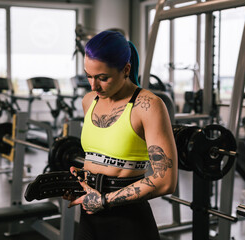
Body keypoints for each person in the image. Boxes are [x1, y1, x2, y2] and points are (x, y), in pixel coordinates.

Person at [65, 30, 178, 240]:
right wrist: (79, 179)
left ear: (126, 69)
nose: (93, 85)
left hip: (128, 219)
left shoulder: (148, 105)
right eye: (88, 76)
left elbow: (165, 181)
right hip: (89, 214)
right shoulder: (89, 101)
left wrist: (105, 200)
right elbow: (101, 156)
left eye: (102, 78)